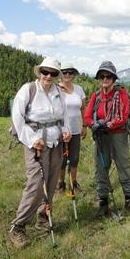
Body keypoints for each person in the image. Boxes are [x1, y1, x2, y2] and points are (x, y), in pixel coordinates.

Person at [9, 57, 71, 248]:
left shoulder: (58, 93)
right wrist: (32, 139)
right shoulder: (28, 90)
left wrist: (66, 130)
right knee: (36, 184)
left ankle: (43, 218)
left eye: (53, 73)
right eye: (45, 72)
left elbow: (64, 116)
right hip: (36, 143)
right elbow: (17, 118)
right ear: (40, 72)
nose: (48, 76)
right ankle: (18, 227)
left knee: (51, 182)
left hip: (55, 143)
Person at [84, 61, 130, 216]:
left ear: (113, 78)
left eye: (108, 76)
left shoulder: (122, 94)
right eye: (102, 76)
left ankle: (128, 199)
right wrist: (94, 124)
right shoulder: (96, 96)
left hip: (118, 134)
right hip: (101, 136)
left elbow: (123, 116)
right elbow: (86, 116)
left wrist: (106, 125)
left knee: (123, 166)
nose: (105, 79)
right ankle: (103, 201)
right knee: (101, 168)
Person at [57, 63, 87, 193]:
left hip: (75, 130)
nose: (67, 75)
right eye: (64, 72)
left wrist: (84, 125)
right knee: (62, 160)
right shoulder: (56, 89)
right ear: (60, 74)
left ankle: (73, 184)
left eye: (70, 72)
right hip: (60, 131)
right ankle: (61, 184)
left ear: (74, 75)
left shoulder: (79, 89)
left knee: (74, 159)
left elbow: (83, 108)